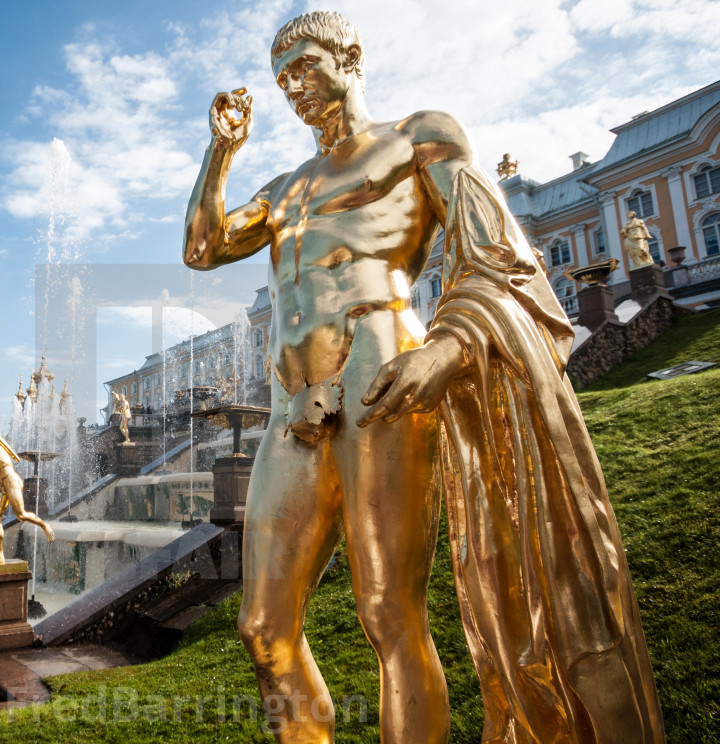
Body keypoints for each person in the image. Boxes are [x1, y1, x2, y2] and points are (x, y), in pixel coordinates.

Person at [184, 11, 663, 743]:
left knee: (387, 611)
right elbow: (204, 247)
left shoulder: (419, 137)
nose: (294, 88)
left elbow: (497, 252)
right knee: (262, 627)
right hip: (295, 404)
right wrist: (221, 153)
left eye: (306, 66)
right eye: (283, 80)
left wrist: (446, 349)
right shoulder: (284, 187)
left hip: (381, 373)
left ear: (350, 55)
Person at [0, 424, 55, 566]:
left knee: (20, 515)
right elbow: (0, 470)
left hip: (11, 482)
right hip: (2, 485)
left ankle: (44, 525)